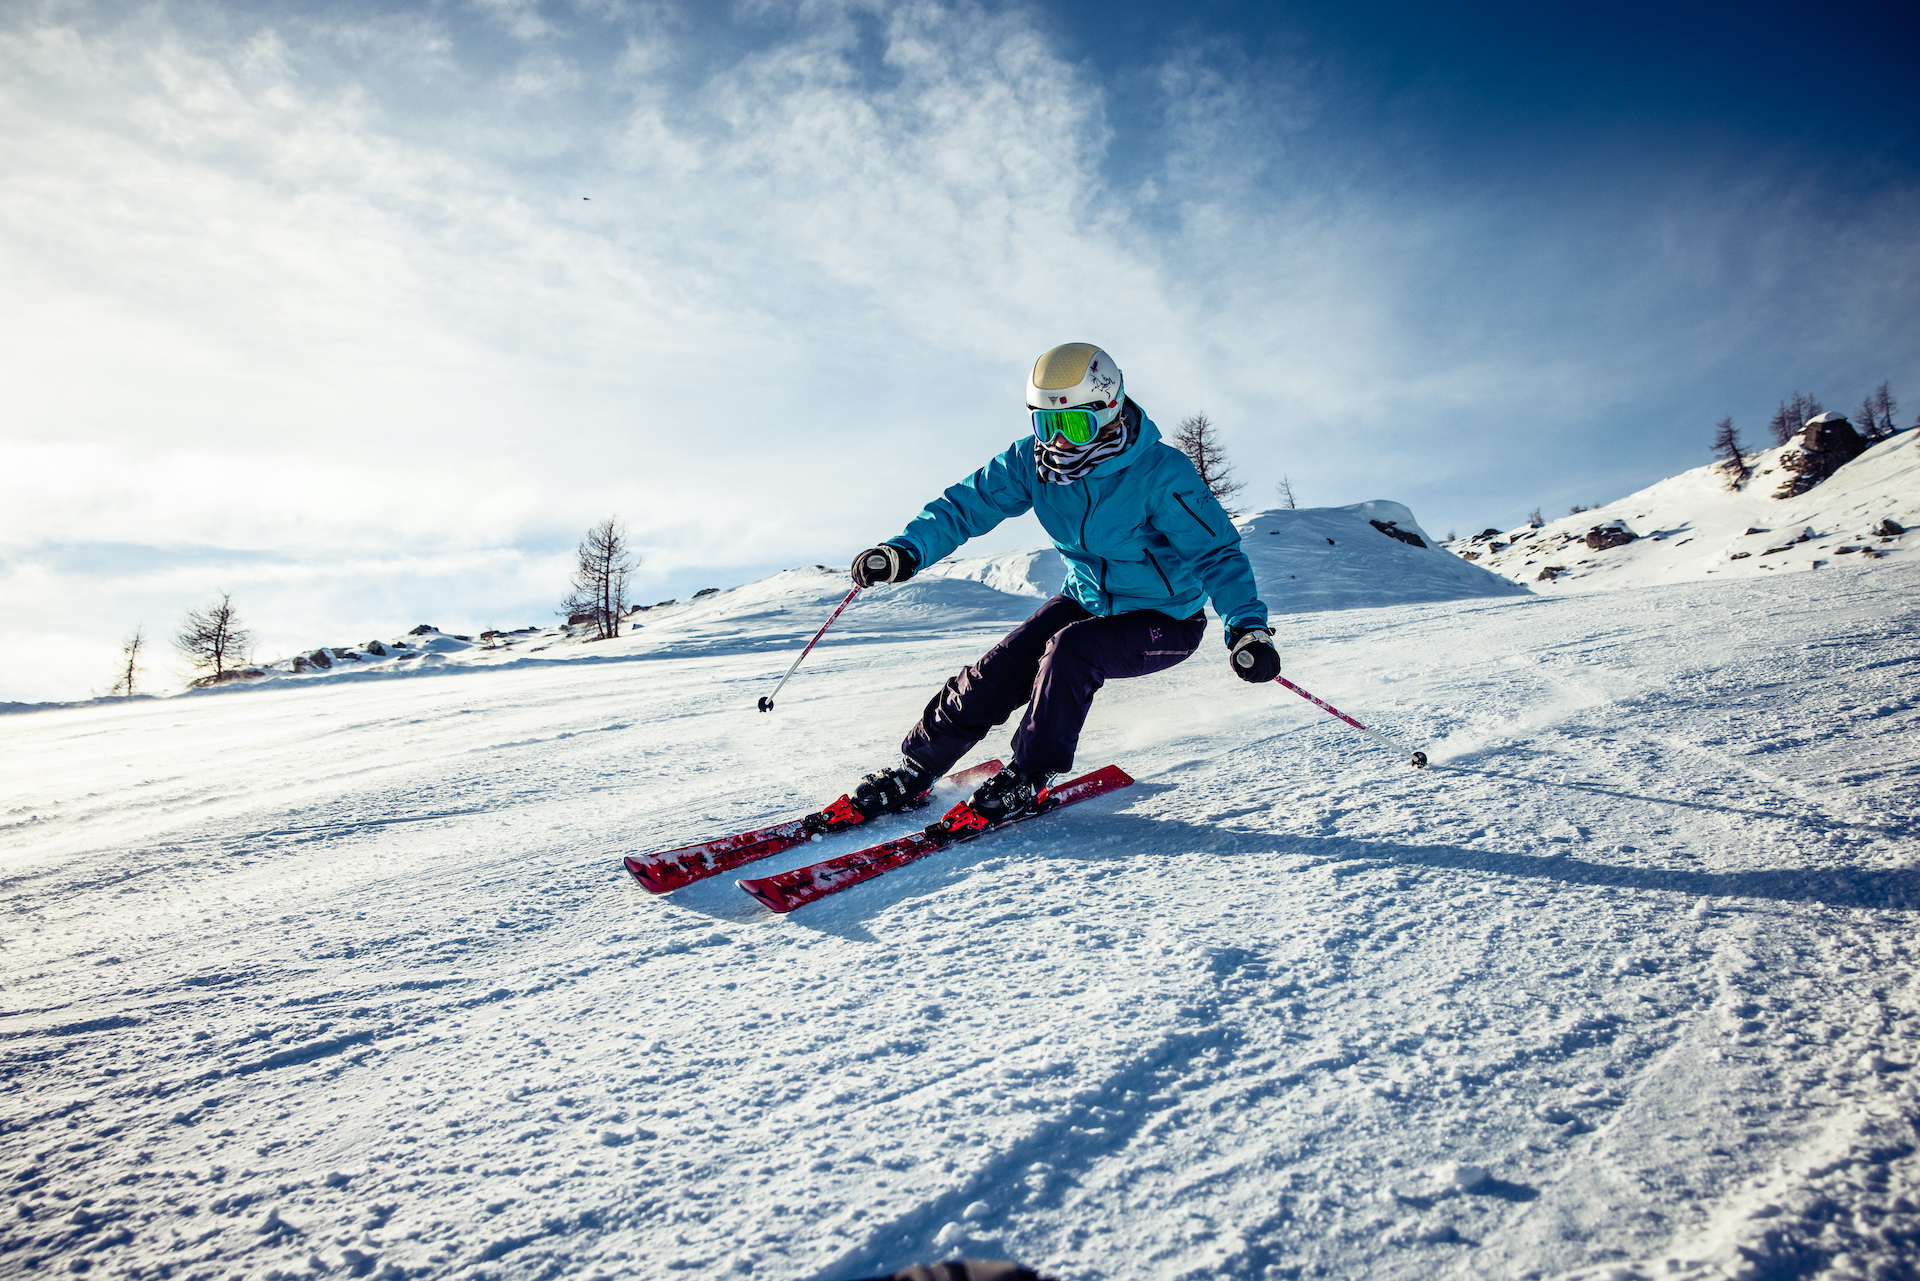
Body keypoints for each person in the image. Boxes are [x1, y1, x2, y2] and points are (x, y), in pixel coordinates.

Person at [836, 342, 1280, 834]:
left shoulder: (1160, 474)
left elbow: (1216, 554)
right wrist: (907, 550)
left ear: (1109, 410)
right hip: (1084, 598)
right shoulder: (1033, 463)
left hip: (1167, 618)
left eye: (1074, 425)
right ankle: (917, 769)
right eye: (1047, 424)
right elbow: (966, 506)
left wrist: (1247, 630)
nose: (1060, 442)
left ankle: (1029, 775)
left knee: (1073, 649)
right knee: (1000, 670)